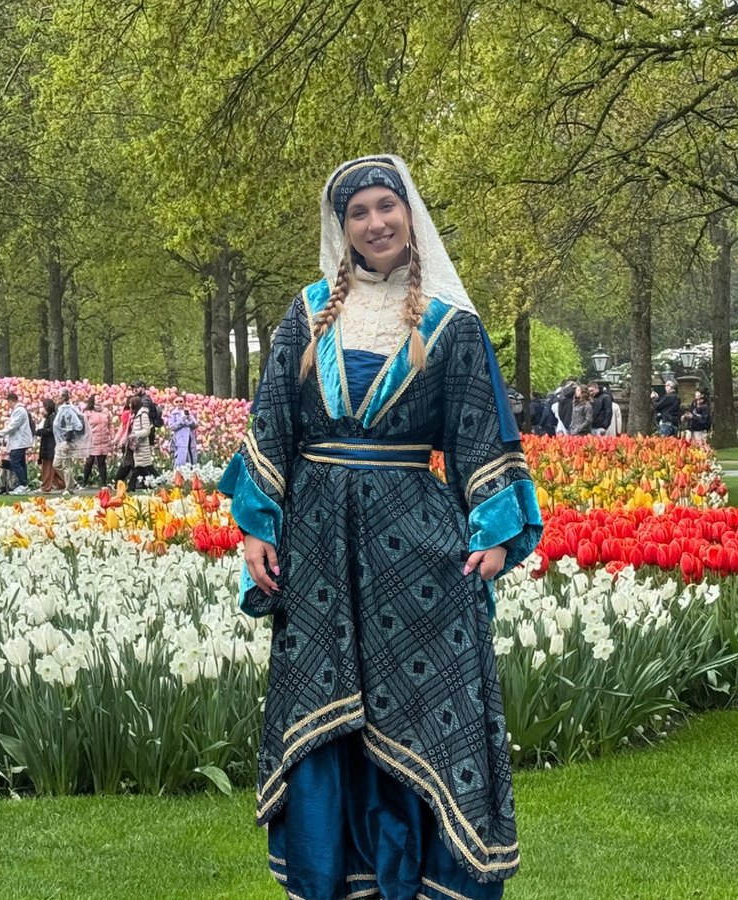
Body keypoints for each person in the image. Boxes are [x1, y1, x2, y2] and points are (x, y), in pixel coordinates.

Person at [216, 155, 539, 899]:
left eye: (385, 208)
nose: (375, 223)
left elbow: (478, 433)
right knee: (328, 724)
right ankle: (337, 881)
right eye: (358, 212)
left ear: (409, 214)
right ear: (343, 226)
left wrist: (491, 534)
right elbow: (272, 424)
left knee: (428, 711)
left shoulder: (454, 325)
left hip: (418, 557)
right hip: (318, 554)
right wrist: (257, 528)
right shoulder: (304, 313)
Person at [0, 391, 34, 494]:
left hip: (19, 442)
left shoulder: (19, 411)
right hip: (19, 441)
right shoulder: (19, 410)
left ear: (11, 401)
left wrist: (0, 433)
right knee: (21, 463)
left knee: (15, 462)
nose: (8, 405)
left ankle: (23, 484)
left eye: (8, 403)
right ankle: (24, 484)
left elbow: (13, 426)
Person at [52, 390, 87, 493]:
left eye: (58, 396)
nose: (56, 398)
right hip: (60, 442)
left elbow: (71, 425)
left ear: (63, 398)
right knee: (57, 465)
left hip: (65, 442)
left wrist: (68, 441)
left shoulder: (67, 410)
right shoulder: (61, 410)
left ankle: (69, 488)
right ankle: (72, 483)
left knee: (66, 465)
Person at [83, 395, 113, 487]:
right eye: (98, 398)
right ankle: (85, 482)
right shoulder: (88, 413)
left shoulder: (106, 411)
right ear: (93, 401)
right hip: (92, 440)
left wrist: (111, 435)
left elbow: (110, 424)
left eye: (101, 399)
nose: (100, 399)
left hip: (103, 440)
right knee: (89, 461)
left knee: (102, 461)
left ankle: (103, 483)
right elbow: (84, 427)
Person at [166, 397, 199, 468]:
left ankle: (192, 470)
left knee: (191, 454)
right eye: (177, 402)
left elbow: (195, 424)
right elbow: (171, 426)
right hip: (180, 439)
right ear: (174, 403)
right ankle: (180, 472)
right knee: (181, 457)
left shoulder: (188, 412)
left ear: (184, 402)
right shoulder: (173, 414)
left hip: (190, 437)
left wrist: (190, 421)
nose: (179, 403)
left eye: (181, 401)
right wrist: (181, 421)